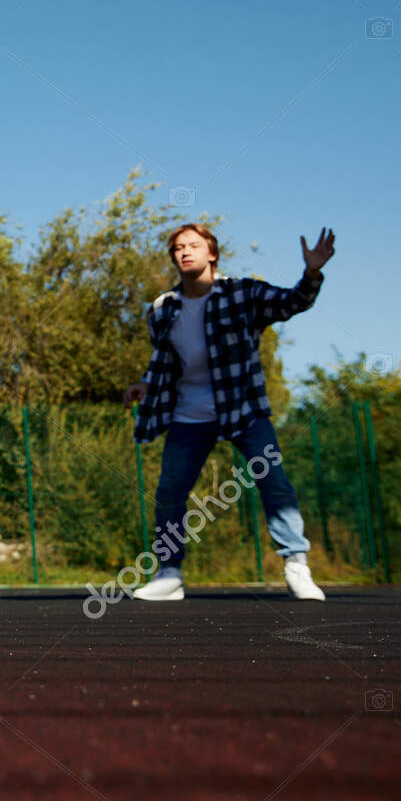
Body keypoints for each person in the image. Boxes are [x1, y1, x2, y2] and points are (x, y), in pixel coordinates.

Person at [124, 223, 336, 602]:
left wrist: (312, 273)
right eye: (177, 248)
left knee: (273, 480)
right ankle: (169, 573)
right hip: (189, 414)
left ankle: (296, 565)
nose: (185, 251)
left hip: (242, 407)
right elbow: (165, 362)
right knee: (170, 492)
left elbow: (292, 302)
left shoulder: (242, 293)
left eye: (193, 245)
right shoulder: (161, 309)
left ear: (212, 253)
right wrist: (144, 383)